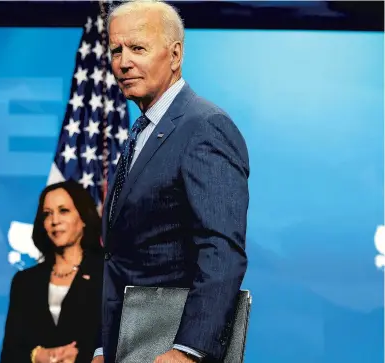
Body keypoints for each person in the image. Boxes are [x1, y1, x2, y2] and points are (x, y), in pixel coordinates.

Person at [93, 1, 250, 363]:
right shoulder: (143, 131)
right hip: (126, 349)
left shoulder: (204, 127)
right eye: (116, 50)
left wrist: (188, 351)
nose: (123, 62)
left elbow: (221, 249)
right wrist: (104, 347)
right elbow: (120, 258)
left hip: (169, 351)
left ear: (175, 54)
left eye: (137, 48)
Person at [1, 180, 104, 363]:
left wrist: (82, 358)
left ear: (83, 218)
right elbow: (10, 354)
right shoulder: (24, 282)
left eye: (63, 211)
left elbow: (123, 341)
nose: (55, 221)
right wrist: (37, 355)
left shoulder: (106, 274)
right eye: (47, 214)